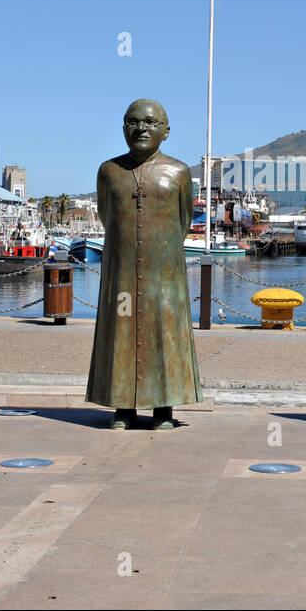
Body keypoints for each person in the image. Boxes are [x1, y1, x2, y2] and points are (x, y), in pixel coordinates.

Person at [86, 99, 201, 430]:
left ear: (165, 131)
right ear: (124, 128)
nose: (142, 128)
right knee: (121, 332)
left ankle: (163, 409)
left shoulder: (179, 172)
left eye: (151, 123)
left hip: (164, 275)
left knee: (165, 336)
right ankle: (123, 406)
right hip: (121, 273)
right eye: (133, 122)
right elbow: (108, 218)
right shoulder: (109, 172)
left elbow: (182, 221)